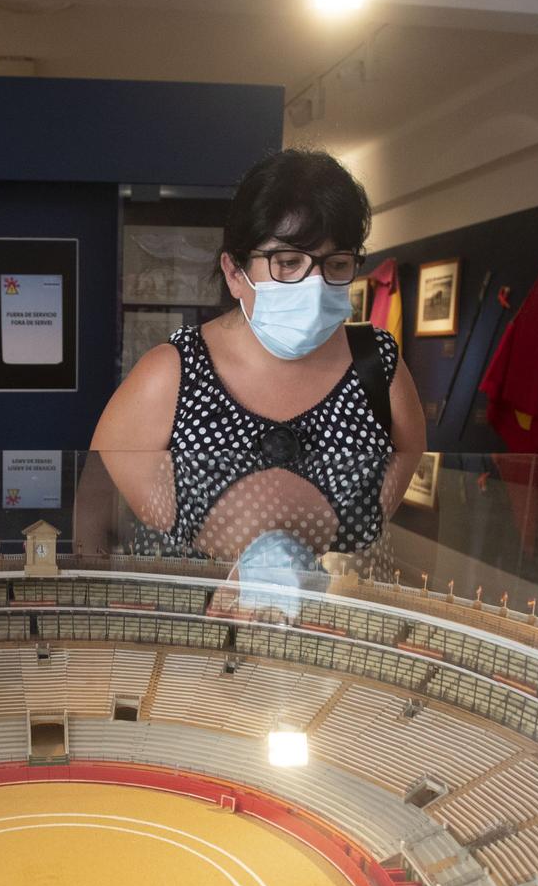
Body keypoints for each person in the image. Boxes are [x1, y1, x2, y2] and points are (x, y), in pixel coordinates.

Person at [86, 148, 426, 600]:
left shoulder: (377, 366)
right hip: (188, 632)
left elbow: (407, 453)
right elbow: (95, 504)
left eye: (337, 264)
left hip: (326, 637)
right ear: (234, 271)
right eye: (288, 262)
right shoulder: (173, 372)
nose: (315, 283)